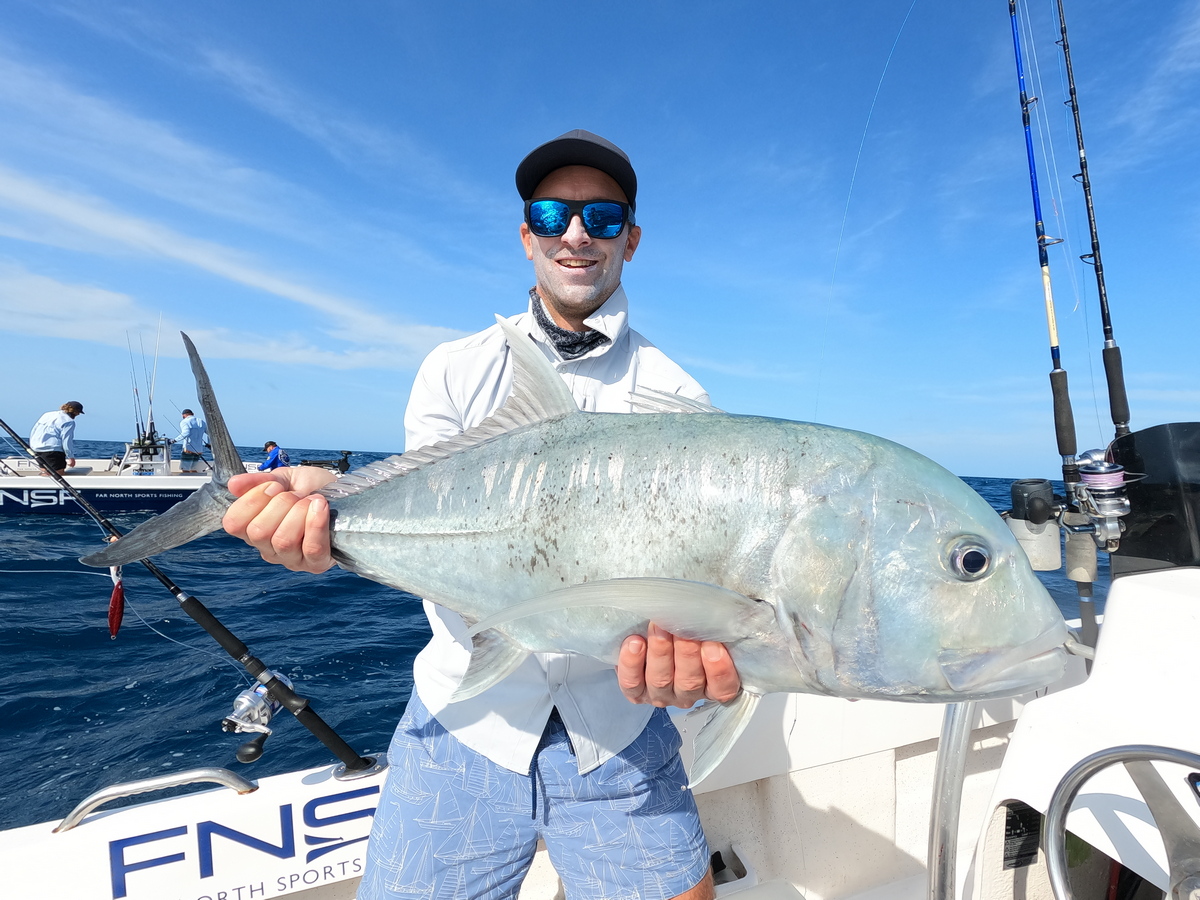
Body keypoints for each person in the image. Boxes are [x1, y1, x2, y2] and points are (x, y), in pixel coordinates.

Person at [222, 130, 740, 900]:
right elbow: (429, 506)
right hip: (463, 718)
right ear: (526, 233)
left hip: (620, 729)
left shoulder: (679, 398)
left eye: (601, 218)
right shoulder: (455, 368)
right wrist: (328, 506)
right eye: (551, 213)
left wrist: (698, 660)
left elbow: (690, 581)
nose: (575, 234)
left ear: (630, 240)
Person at [29, 401, 84, 475]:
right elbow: (66, 441)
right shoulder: (69, 421)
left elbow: (34, 430)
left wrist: (32, 446)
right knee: (58, 474)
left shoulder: (47, 414)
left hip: (36, 448)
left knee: (45, 471)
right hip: (53, 450)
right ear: (75, 412)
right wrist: (70, 457)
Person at [175, 409, 208, 473]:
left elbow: (186, 433)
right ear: (193, 413)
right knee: (193, 468)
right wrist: (209, 443)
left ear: (183, 415)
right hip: (199, 450)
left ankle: (185, 482)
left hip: (188, 449)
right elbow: (209, 433)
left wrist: (174, 440)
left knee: (185, 469)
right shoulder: (201, 421)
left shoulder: (184, 421)